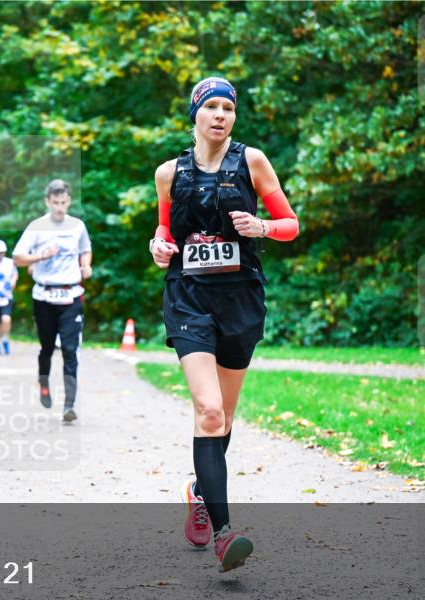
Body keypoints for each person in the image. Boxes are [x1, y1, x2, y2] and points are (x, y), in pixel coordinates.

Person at [150, 76, 299, 573]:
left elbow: (290, 223)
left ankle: (199, 487)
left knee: (224, 419)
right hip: (189, 298)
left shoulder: (252, 162)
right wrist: (159, 246)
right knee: (209, 411)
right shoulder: (168, 173)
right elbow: (164, 233)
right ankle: (224, 533)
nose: (220, 115)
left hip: (240, 300)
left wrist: (263, 228)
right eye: (210, 106)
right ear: (194, 114)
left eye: (227, 108)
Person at [12, 179, 92, 424]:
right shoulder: (36, 227)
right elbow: (17, 258)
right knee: (47, 348)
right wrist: (41, 255)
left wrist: (86, 264)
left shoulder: (77, 226)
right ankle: (43, 379)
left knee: (70, 350)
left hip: (70, 295)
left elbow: (85, 249)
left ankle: (69, 404)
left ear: (69, 201)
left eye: (64, 202)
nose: (60, 207)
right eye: (55, 203)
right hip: (44, 295)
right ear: (47, 202)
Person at [0, 239, 18, 355]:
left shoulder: (10, 262)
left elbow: (14, 275)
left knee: (6, 319)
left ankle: (5, 338)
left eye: (2, 252)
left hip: (6, 295)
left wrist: (13, 281)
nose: (0, 254)